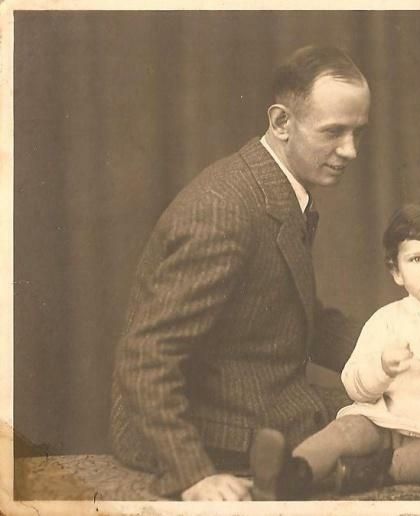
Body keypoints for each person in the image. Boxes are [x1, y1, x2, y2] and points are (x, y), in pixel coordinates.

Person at [109, 45, 370, 501]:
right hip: (210, 427)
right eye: (333, 132)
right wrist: (192, 473)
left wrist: (402, 344)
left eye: (356, 132)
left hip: (256, 397)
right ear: (281, 123)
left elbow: (293, 314)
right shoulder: (225, 209)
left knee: (405, 409)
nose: (350, 150)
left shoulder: (276, 187)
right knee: (384, 428)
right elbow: (147, 355)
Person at [249, 198, 420, 500]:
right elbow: (355, 385)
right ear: (396, 271)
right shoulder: (386, 321)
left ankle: (377, 473)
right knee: (349, 426)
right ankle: (292, 471)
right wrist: (382, 369)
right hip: (385, 425)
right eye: (416, 260)